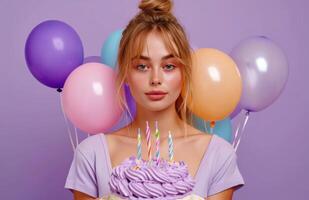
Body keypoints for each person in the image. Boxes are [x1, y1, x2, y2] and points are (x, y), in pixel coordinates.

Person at [64, 0, 245, 199]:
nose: (156, 79)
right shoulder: (91, 154)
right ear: (125, 73)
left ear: (184, 73)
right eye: (142, 66)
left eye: (169, 66)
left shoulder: (218, 155)